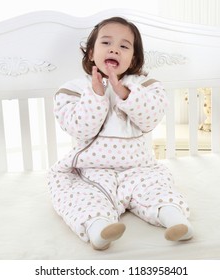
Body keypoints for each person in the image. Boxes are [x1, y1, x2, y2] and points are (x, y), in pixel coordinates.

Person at [48, 16, 193, 250]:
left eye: (124, 46)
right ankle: (98, 229)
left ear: (133, 58)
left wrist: (124, 92)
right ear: (91, 54)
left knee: (157, 188)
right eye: (106, 43)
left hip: (138, 168)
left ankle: (175, 220)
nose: (114, 49)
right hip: (92, 172)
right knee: (80, 197)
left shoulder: (145, 86)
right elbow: (80, 129)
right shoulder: (73, 90)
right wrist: (96, 94)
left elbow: (150, 119)